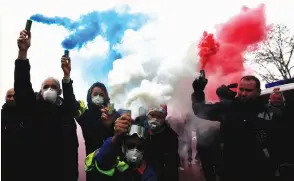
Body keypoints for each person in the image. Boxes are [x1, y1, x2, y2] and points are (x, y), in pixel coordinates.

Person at [15, 29, 79, 181]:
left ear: (60, 91)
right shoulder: (33, 108)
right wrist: (22, 54)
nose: (49, 89)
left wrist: (66, 76)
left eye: (53, 87)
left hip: (63, 175)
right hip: (35, 173)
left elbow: (71, 103)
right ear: (40, 91)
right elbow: (22, 86)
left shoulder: (65, 111)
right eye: (46, 87)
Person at [191, 75, 282, 181]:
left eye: (248, 90)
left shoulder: (269, 112)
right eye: (241, 89)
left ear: (258, 92)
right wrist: (198, 91)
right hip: (232, 171)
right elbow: (200, 111)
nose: (243, 93)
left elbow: (280, 141)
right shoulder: (228, 107)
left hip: (261, 170)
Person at [85, 113, 157, 181]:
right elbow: (103, 162)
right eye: (130, 146)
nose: (135, 151)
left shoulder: (148, 173)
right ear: (123, 145)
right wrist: (116, 137)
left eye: (139, 147)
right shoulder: (113, 160)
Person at [76, 82, 119, 181]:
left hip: (111, 167)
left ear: (106, 97)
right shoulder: (85, 114)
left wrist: (110, 125)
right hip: (93, 168)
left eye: (101, 94)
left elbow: (119, 137)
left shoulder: (112, 112)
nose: (98, 97)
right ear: (89, 97)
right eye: (95, 94)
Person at [144, 105, 179, 181]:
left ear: (164, 118)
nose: (155, 119)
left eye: (160, 117)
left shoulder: (171, 137)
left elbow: (172, 165)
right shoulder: (141, 131)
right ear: (147, 115)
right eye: (152, 115)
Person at [2, 88, 30, 181]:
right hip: (6, 163)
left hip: (24, 163)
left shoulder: (27, 114)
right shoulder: (2, 115)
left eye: (14, 96)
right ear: (5, 97)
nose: (11, 98)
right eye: (9, 96)